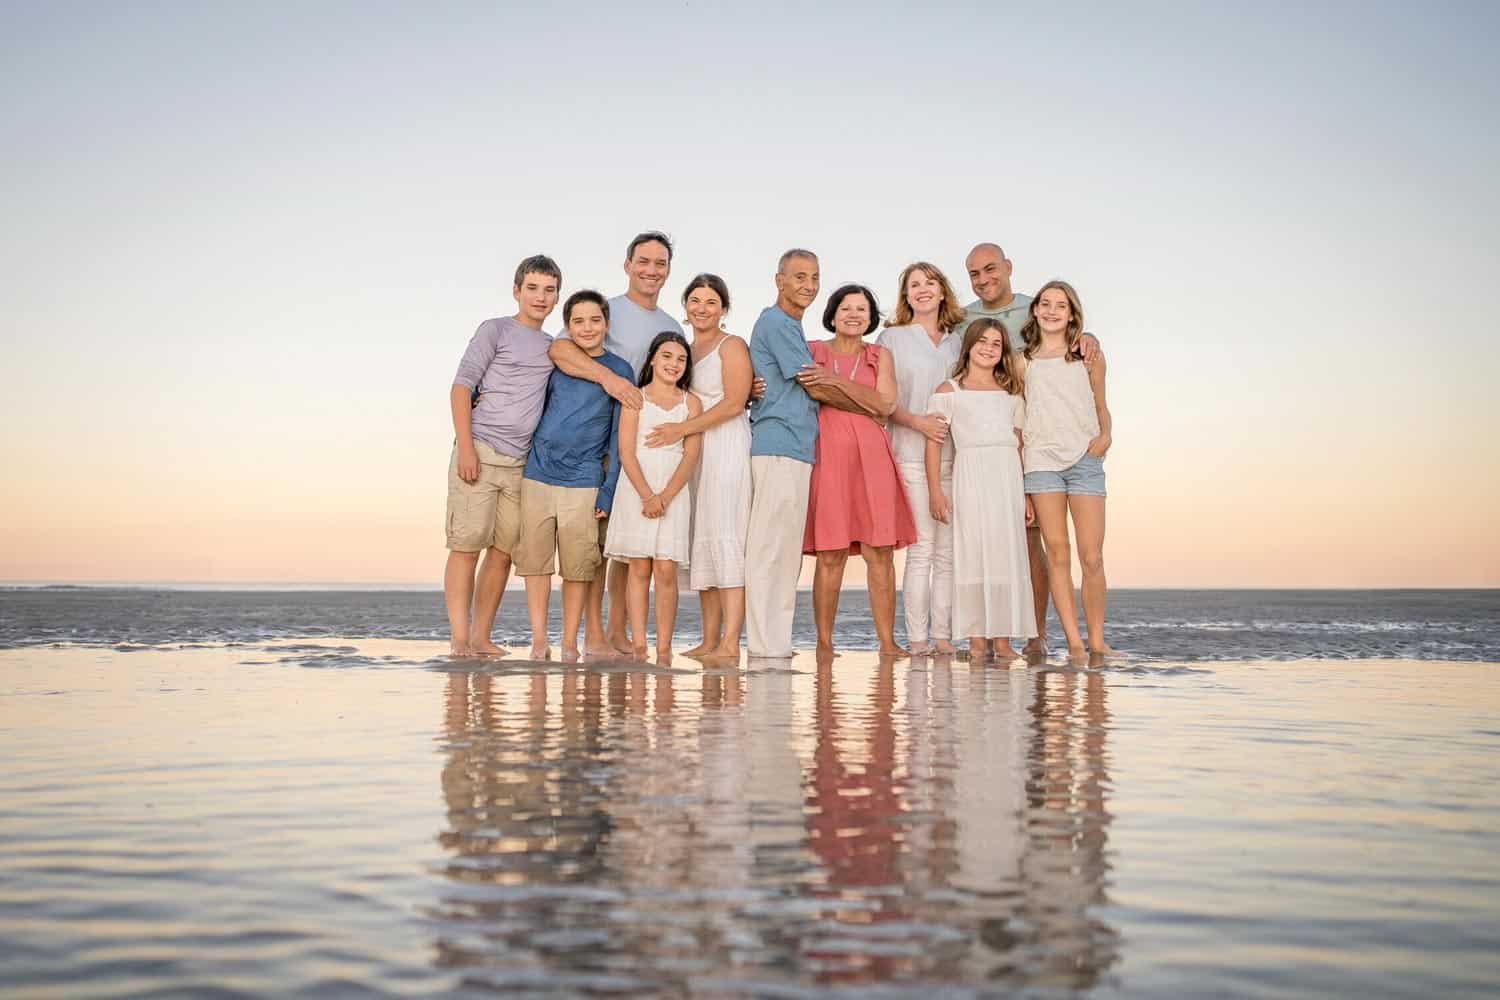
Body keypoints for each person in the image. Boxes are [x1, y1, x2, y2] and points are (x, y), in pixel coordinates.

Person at [548, 231, 685, 655]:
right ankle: (593, 633)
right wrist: (610, 379)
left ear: (668, 271)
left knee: (630, 544)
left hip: (648, 448)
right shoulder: (607, 311)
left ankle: (619, 631)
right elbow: (559, 350)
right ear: (627, 265)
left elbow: (681, 376)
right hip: (598, 439)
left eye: (660, 263)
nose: (651, 270)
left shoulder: (671, 326)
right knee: (598, 547)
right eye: (643, 261)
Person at [963, 242, 1101, 655]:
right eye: (974, 273)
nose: (984, 279)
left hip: (1052, 447)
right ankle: (987, 635)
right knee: (993, 541)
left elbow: (1073, 345)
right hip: (997, 442)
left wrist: (1090, 335)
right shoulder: (964, 319)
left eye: (991, 269)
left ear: (1008, 267)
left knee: (1035, 543)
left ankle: (1036, 635)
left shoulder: (1033, 307)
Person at [443, 254, 560, 656]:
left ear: (557, 296)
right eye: (532, 288)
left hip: (520, 463)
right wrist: (466, 446)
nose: (540, 297)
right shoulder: (496, 330)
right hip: (480, 450)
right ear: (517, 291)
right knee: (466, 544)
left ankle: (481, 637)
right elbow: (462, 387)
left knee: (503, 552)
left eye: (549, 290)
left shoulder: (554, 347)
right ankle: (460, 638)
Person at [513, 290, 634, 662]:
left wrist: (608, 491)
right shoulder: (558, 361)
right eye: (578, 321)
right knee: (535, 563)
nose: (587, 327)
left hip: (584, 480)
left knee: (579, 567)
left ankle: (568, 642)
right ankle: (538, 641)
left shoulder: (622, 370)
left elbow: (617, 440)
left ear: (607, 324)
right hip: (538, 473)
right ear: (567, 327)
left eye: (595, 320)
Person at [797, 283, 915, 656]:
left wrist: (833, 383)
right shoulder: (812, 349)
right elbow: (812, 392)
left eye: (861, 309)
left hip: (873, 458)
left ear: (870, 317)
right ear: (832, 313)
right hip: (827, 457)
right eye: (845, 307)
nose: (853, 314)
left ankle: (887, 642)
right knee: (830, 551)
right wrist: (858, 397)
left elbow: (884, 406)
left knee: (879, 550)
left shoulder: (881, 355)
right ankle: (824, 643)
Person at [644, 274, 752, 660]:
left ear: (724, 308)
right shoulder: (683, 350)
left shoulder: (732, 345)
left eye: (711, 302)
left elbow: (735, 402)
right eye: (695, 300)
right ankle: (708, 640)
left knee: (725, 536)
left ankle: (730, 642)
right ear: (685, 306)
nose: (702, 308)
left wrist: (682, 429)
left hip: (725, 446)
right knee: (701, 538)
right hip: (694, 449)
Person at [925, 318, 1037, 662]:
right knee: (973, 553)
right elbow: (933, 444)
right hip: (971, 476)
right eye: (982, 341)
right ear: (969, 346)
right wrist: (935, 492)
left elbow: (1019, 447)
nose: (989, 348)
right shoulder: (949, 392)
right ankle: (976, 642)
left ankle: (1002, 643)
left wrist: (1025, 494)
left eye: (996, 344)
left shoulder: (1011, 395)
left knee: (1005, 554)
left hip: (1006, 478)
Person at [1014, 280, 1114, 661]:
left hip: (1085, 461)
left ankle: (1097, 642)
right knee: (1057, 553)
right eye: (1046, 304)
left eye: (1061, 305)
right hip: (1041, 465)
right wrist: (1022, 484)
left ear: (1072, 314)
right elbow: (1020, 420)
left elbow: (1102, 404)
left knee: (1092, 557)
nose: (1052, 311)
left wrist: (1106, 436)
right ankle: (1073, 643)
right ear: (1036, 310)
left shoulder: (1087, 356)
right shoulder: (1023, 362)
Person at [876, 261, 968, 654]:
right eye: (914, 285)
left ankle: (943, 639)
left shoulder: (958, 341)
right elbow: (882, 403)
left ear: (943, 291)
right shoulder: (891, 339)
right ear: (906, 295)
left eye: (930, 283)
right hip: (910, 455)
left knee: (949, 556)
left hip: (957, 459)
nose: (923, 289)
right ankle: (917, 640)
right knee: (922, 551)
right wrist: (918, 424)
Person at [604, 332, 703, 662]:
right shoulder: (636, 398)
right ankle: (640, 645)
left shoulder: (691, 403)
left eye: (680, 359)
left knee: (665, 570)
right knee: (639, 568)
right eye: (667, 356)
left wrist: (665, 496)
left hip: (672, 490)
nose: (673, 364)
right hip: (636, 488)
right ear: (652, 359)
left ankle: (664, 647)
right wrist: (647, 496)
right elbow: (626, 452)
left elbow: (690, 457)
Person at [745, 249, 821, 659]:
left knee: (785, 551)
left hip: (796, 448)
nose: (808, 285)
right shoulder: (777, 322)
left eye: (814, 277)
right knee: (769, 549)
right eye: (799, 277)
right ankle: (763, 644)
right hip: (777, 445)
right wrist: (874, 405)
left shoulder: (790, 327)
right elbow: (816, 384)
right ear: (780, 280)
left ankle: (776, 641)